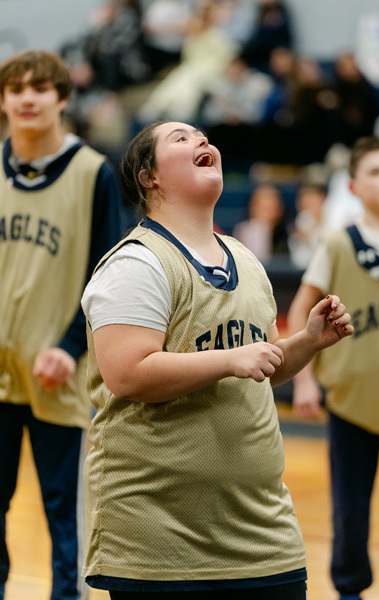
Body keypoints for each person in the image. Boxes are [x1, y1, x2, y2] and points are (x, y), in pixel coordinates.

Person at [81, 120, 353, 599]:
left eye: (203, 137)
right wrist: (229, 360)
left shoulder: (246, 259)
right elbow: (128, 374)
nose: (202, 141)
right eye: (181, 139)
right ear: (150, 177)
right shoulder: (136, 263)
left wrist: (308, 341)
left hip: (264, 537)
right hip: (161, 542)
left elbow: (262, 366)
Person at [0, 50, 124, 600]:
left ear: (62, 99)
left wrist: (72, 347)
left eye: (41, 88)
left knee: (65, 521)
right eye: (16, 88)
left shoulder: (93, 172)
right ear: (3, 100)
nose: (28, 97)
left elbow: (109, 272)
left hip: (60, 374)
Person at [287, 136, 379, 600]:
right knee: (349, 514)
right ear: (353, 186)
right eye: (375, 171)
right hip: (352, 403)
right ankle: (350, 591)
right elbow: (299, 314)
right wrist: (306, 381)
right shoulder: (337, 244)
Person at [232, 184, 288, 264]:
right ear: (252, 209)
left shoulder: (288, 235)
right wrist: (261, 231)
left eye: (270, 209)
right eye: (262, 209)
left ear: (280, 210)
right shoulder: (244, 230)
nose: (266, 215)